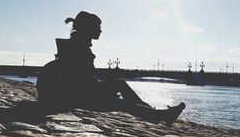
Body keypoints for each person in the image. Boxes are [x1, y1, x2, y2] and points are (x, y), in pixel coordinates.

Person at [37, 11, 185, 126]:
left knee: (121, 88)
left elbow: (81, 77)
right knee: (124, 101)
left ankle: (156, 114)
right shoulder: (79, 48)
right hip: (76, 96)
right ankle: (160, 115)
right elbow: (81, 81)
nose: (101, 31)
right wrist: (104, 91)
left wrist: (102, 87)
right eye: (98, 27)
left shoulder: (75, 44)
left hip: (73, 92)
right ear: (89, 29)